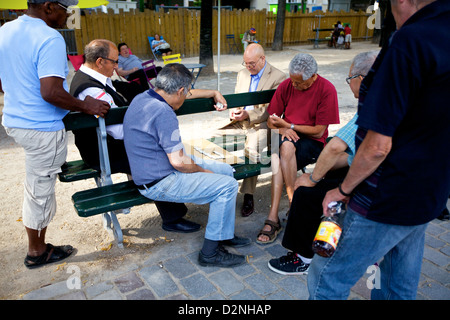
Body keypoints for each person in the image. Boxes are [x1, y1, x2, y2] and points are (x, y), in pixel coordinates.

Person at [308, 0, 450, 300]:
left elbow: (376, 146)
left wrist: (343, 190)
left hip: (387, 196)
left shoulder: (409, 42)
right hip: (430, 194)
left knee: (327, 279)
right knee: (398, 284)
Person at [70, 39, 228, 234]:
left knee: (169, 151)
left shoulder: (100, 78)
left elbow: (163, 93)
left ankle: (182, 206)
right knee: (162, 156)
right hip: (103, 150)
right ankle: (173, 216)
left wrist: (212, 91)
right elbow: (119, 130)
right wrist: (149, 124)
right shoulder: (90, 88)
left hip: (115, 143)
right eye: (114, 62)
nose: (117, 66)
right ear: (100, 62)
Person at [0, 0, 110, 269]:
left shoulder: (5, 30)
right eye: (65, 8)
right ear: (48, 7)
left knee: (36, 184)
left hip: (16, 120)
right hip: (41, 127)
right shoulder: (49, 37)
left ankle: (37, 246)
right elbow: (50, 92)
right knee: (39, 190)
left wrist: (19, 95)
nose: (68, 14)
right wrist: (88, 105)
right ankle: (37, 251)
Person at [123, 64, 251, 268]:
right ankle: (210, 252)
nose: (187, 95)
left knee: (226, 171)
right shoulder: (164, 113)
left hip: (155, 169)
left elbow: (185, 94)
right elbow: (179, 162)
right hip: (159, 181)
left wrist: (214, 92)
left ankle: (222, 233)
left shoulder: (145, 97)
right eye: (187, 91)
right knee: (226, 186)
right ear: (180, 90)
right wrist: (204, 172)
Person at [267, 51, 378, 275]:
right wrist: (282, 128)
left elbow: (333, 143)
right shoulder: (394, 99)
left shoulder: (371, 104)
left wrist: (314, 176)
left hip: (365, 174)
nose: (348, 85)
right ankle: (284, 211)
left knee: (307, 191)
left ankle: (301, 257)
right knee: (284, 151)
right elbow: (353, 153)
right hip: (380, 175)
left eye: (350, 79)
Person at [256, 53, 339, 244]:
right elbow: (270, 121)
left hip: (313, 142)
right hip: (288, 139)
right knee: (283, 149)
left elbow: (319, 132)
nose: (294, 86)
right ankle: (293, 206)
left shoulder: (327, 89)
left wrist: (290, 126)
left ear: (313, 76)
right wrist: (283, 126)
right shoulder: (287, 84)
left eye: (300, 83)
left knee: (280, 154)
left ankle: (275, 217)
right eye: (293, 81)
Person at [214, 43, 286, 217]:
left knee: (251, 150)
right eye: (245, 63)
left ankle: (248, 195)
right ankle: (221, 186)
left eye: (252, 63)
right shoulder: (243, 73)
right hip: (241, 122)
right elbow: (238, 99)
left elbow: (273, 110)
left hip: (263, 124)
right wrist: (234, 110)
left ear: (263, 59)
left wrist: (248, 114)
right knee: (214, 143)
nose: (248, 67)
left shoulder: (279, 77)